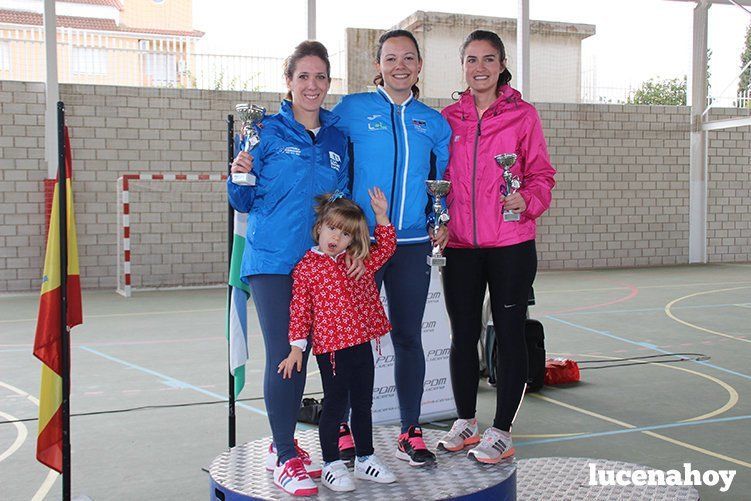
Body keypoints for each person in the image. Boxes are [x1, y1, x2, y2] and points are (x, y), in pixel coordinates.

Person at [227, 40, 355, 497]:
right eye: (303, 76)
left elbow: (341, 205)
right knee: (287, 356)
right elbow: (241, 199)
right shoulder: (265, 132)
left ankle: (284, 446)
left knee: (318, 358)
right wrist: (239, 171)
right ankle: (284, 455)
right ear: (289, 81)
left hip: (320, 267)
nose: (312, 85)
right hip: (275, 263)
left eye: (320, 76)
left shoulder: (338, 138)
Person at [331, 29, 452, 467]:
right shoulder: (351, 110)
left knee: (407, 337)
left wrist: (442, 220)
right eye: (390, 58)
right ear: (378, 66)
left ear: (419, 66)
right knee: (348, 337)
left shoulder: (433, 122)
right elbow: (324, 152)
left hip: (413, 243)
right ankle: (342, 425)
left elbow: (442, 184)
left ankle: (410, 429)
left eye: (408, 58)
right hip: (361, 243)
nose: (399, 65)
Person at [437, 30, 556, 464]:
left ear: (502, 64)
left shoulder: (523, 116)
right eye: (472, 59)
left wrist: (529, 199)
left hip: (511, 243)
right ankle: (466, 421)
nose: (480, 67)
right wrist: (439, 221)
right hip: (461, 246)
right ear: (462, 65)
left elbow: (542, 175)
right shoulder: (449, 117)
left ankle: (502, 430)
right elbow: (437, 182)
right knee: (462, 335)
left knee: (508, 336)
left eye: (489, 59)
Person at [278, 187, 398, 492]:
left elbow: (385, 248)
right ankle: (331, 463)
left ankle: (365, 459)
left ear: (352, 240)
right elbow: (300, 311)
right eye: (332, 229)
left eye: (345, 235)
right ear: (319, 228)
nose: (336, 238)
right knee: (334, 406)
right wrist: (296, 348)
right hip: (332, 350)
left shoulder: (356, 260)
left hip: (361, 344)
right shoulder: (307, 268)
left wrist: (381, 215)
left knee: (363, 403)